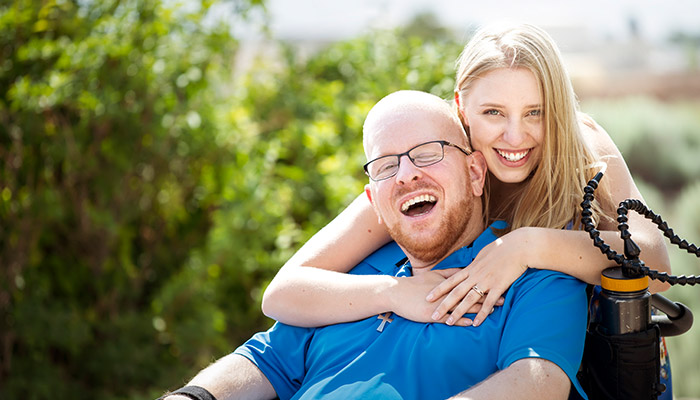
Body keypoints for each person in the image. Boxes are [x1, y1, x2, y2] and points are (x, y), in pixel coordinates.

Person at [261, 22, 674, 398]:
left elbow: (657, 262)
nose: (516, 136)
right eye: (493, 112)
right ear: (460, 106)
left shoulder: (582, 147)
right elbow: (284, 292)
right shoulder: (429, 167)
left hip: (587, 361)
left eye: (536, 112)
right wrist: (394, 293)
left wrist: (528, 246)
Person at [159, 90, 589, 400]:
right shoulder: (349, 277)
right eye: (386, 165)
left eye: (427, 153)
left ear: (476, 172)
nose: (405, 175)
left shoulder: (527, 276)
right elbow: (265, 361)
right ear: (374, 203)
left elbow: (538, 384)